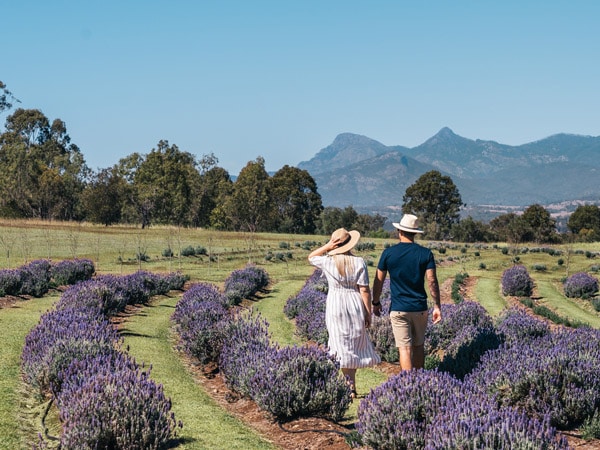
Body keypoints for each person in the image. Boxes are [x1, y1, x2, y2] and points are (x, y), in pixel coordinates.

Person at [308, 227, 381, 398]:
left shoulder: (327, 261)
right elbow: (364, 290)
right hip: (354, 302)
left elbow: (311, 257)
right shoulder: (359, 262)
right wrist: (367, 312)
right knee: (353, 343)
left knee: (339, 343)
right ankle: (351, 385)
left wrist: (327, 246)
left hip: (335, 304)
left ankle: (348, 384)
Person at [372, 214, 441, 371]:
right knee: (418, 346)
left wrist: (375, 302)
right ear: (415, 233)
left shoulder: (388, 253)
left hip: (398, 308)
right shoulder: (426, 253)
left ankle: (409, 385)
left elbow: (378, 281)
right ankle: (418, 383)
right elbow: (432, 281)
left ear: (399, 231)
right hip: (419, 308)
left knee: (404, 348)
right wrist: (437, 306)